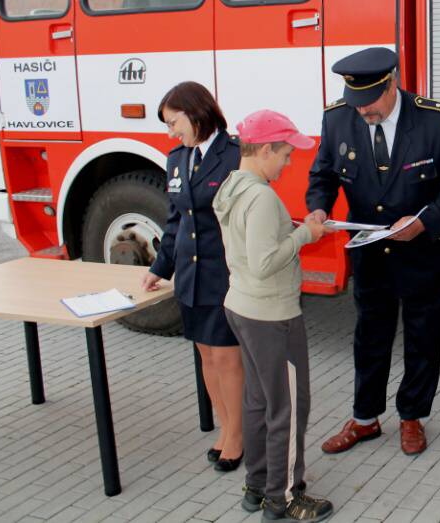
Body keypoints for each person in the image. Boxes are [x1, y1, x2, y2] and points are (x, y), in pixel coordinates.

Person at [305, 47, 440, 456]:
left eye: (371, 102)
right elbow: (323, 174)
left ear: (392, 83)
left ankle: (412, 416)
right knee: (370, 337)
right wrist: (319, 207)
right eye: (356, 103)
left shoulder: (437, 119)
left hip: (424, 250)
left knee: (422, 337)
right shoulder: (337, 118)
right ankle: (364, 419)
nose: (363, 111)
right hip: (370, 254)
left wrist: (423, 221)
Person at [214, 109, 333, 522]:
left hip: (241, 306)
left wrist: (293, 229)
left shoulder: (234, 185)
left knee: (257, 402)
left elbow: (252, 246)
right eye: (284, 154)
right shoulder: (263, 196)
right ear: (264, 150)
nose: (288, 162)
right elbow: (265, 262)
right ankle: (284, 498)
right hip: (272, 314)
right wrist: (305, 234)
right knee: (288, 409)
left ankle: (256, 486)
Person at [141, 81, 244, 471]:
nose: (171, 133)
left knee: (227, 356)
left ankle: (238, 435)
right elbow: (175, 221)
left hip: (225, 273)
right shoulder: (176, 159)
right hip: (190, 274)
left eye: (174, 122)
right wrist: (159, 268)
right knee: (205, 354)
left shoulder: (234, 155)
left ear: (196, 111)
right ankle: (225, 426)